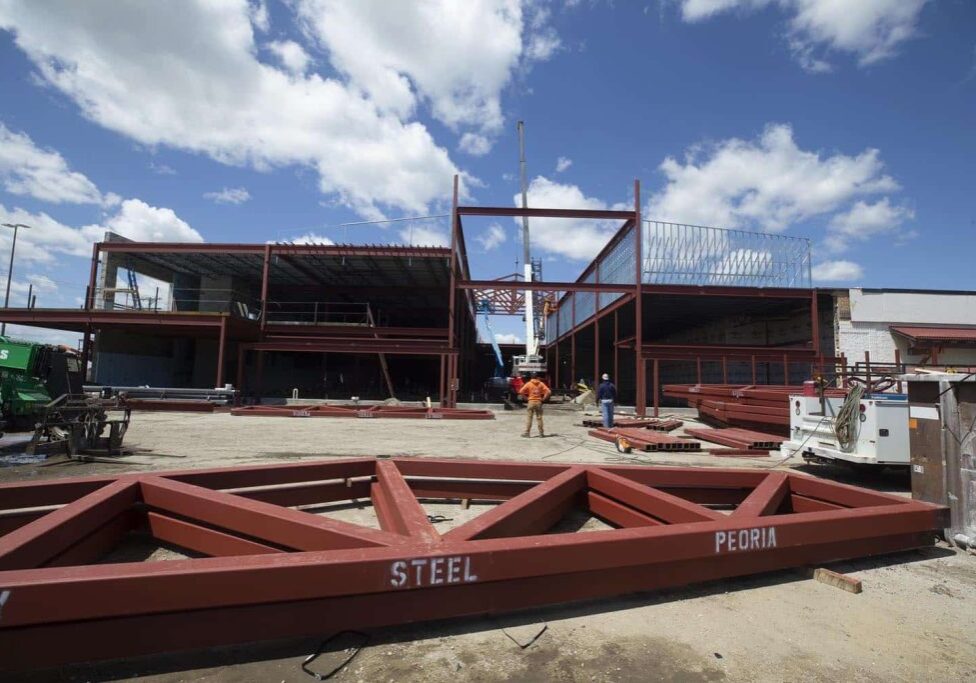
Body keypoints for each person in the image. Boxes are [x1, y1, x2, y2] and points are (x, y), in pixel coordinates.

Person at [518, 372, 551, 437]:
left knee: (529, 418)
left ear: (531, 377)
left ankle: (527, 433)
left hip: (531, 402)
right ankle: (541, 433)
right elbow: (548, 391)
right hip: (538, 402)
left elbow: (521, 391)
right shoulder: (541, 384)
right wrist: (544, 398)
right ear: (537, 377)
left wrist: (526, 398)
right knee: (539, 418)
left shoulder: (529, 384)